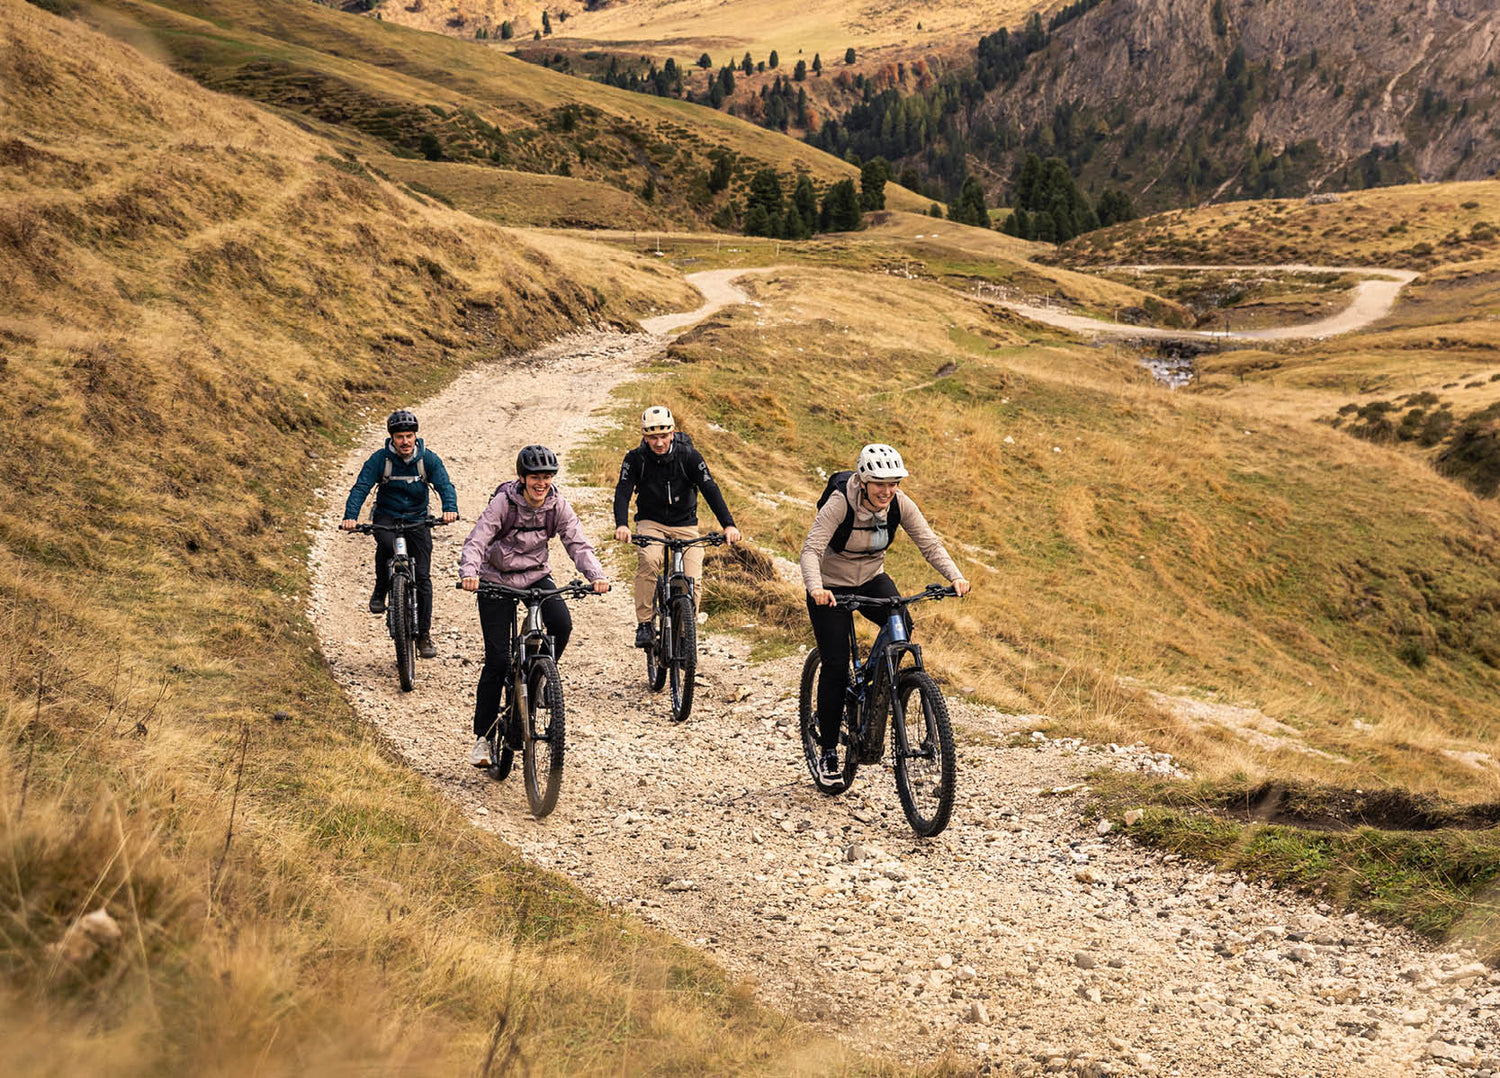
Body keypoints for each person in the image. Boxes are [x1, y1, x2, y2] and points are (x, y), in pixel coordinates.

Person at [800, 443, 971, 781]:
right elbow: (811, 548)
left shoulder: (898, 504)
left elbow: (929, 543)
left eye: (894, 483)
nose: (887, 490)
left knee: (901, 623)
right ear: (863, 480)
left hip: (871, 580)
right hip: (830, 588)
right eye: (880, 483)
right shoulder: (840, 503)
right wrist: (816, 587)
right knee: (836, 663)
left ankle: (876, 687)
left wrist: (955, 575)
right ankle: (830, 749)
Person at [459, 444, 610, 768]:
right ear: (522, 478)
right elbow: (478, 538)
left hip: (535, 577)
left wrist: (596, 575)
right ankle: (483, 739)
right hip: (495, 578)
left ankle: (540, 678)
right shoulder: (504, 503)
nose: (541, 483)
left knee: (562, 624)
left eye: (546, 477)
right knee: (498, 660)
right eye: (534, 478)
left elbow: (577, 543)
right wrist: (470, 572)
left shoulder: (557, 505)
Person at [613, 405, 741, 648]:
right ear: (645, 437)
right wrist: (622, 524)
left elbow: (710, 489)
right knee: (649, 561)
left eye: (663, 435)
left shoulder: (689, 456)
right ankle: (644, 624)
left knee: (692, 578)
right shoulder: (635, 459)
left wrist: (729, 525)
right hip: (651, 522)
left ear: (672, 433)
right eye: (652, 437)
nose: (659, 442)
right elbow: (623, 492)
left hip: (685, 525)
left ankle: (685, 634)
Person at [342, 409, 458, 659]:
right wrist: (350, 516)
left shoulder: (428, 459)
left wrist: (450, 509)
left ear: (415, 436)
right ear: (391, 439)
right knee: (386, 544)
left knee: (424, 578)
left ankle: (424, 635)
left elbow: (444, 484)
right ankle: (381, 589)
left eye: (409, 436)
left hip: (417, 519)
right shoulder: (379, 459)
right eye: (400, 437)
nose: (405, 442)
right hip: (387, 516)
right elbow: (361, 487)